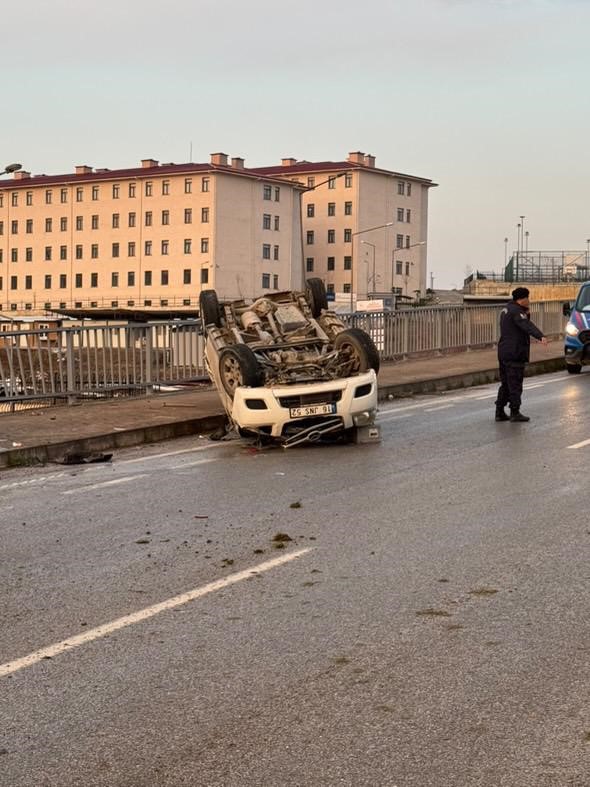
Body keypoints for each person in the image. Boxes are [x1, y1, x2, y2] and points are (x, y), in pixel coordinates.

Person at [495, 287, 548, 422]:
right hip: (515, 352)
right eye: (528, 298)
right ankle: (515, 411)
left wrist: (526, 313)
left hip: (504, 351)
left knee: (506, 383)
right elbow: (526, 325)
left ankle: (499, 411)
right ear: (522, 299)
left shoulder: (506, 309)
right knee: (515, 383)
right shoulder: (517, 312)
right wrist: (540, 336)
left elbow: (519, 324)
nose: (529, 301)